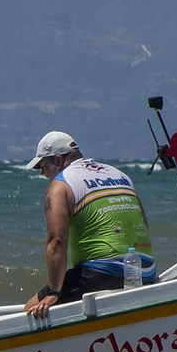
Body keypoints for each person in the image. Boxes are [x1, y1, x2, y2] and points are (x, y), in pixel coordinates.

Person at [22, 130, 154, 319]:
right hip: (145, 271)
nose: (42, 173)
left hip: (102, 275)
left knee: (30, 311)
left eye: (43, 166)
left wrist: (54, 291)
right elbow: (145, 225)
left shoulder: (60, 185)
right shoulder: (120, 175)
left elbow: (56, 241)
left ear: (58, 160)